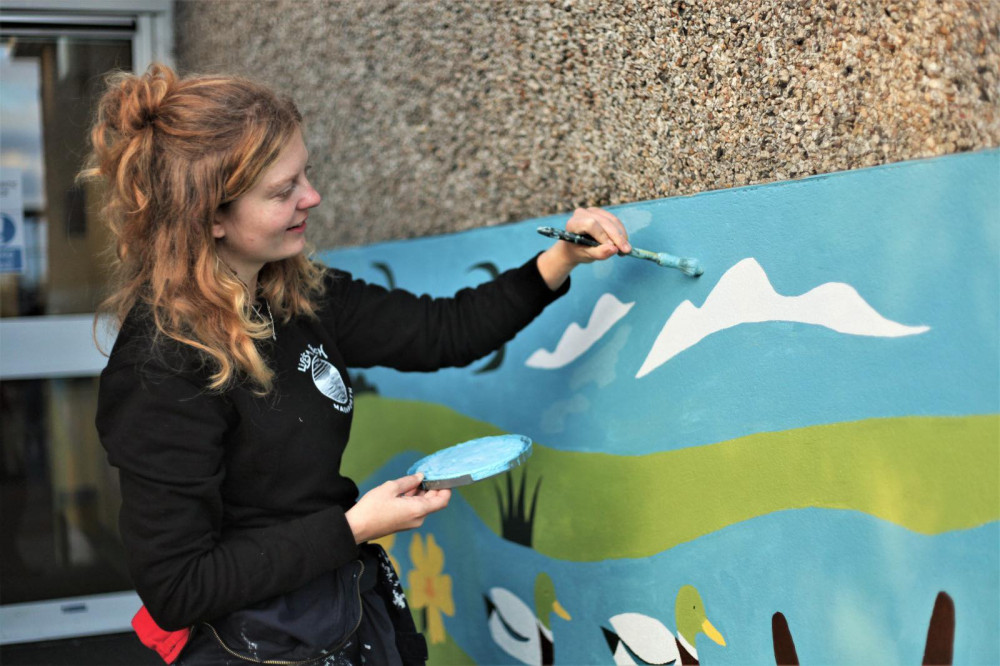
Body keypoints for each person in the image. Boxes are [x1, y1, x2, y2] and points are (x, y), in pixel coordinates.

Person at [87, 63, 630, 666]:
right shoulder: (160, 365)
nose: (311, 198)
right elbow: (178, 587)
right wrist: (352, 527)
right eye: (282, 191)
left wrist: (562, 257)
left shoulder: (298, 294)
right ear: (210, 217)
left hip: (340, 611)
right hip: (255, 647)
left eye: (306, 175)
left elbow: (444, 333)